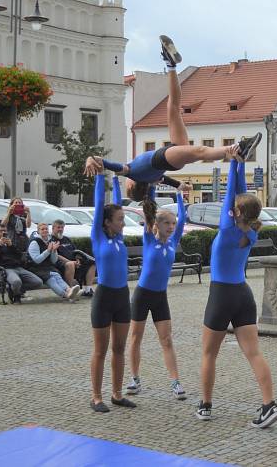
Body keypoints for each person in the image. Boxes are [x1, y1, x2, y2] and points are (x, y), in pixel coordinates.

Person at [83, 35, 261, 201]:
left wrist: (179, 185)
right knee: (200, 151)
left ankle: (171, 65)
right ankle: (237, 148)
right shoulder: (132, 173)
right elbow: (114, 167)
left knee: (173, 108)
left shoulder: (153, 178)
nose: (125, 181)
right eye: (126, 185)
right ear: (132, 185)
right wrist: (95, 159)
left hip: (170, 157)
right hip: (163, 157)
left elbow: (166, 180)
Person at [197, 158, 277, 429]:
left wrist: (234, 165)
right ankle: (269, 404)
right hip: (243, 295)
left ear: (234, 212)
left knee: (209, 354)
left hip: (221, 294)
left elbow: (230, 193)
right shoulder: (252, 232)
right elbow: (240, 197)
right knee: (254, 353)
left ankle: (206, 405)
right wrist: (239, 163)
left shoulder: (226, 229)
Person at [125, 182, 190, 402]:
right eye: (167, 223)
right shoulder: (149, 239)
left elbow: (183, 218)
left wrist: (180, 195)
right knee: (135, 338)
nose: (172, 227)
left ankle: (175, 382)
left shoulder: (173, 242)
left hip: (160, 296)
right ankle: (134, 378)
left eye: (173, 223)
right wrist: (150, 185)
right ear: (157, 224)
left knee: (167, 340)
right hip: (143, 294)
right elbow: (149, 209)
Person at [83, 166, 136, 413]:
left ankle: (116, 393)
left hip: (122, 297)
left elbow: (116, 204)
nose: (123, 223)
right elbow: (99, 206)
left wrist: (117, 180)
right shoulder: (99, 237)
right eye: (120, 220)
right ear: (107, 223)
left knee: (119, 349)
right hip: (104, 297)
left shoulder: (120, 239)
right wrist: (100, 178)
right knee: (101, 350)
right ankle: (96, 396)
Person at [0, 223, 42, 302]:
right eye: (0, 231)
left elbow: (20, 255)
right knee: (16, 281)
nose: (2, 233)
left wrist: (11, 246)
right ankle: (17, 295)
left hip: (18, 267)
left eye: (4, 231)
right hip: (5, 269)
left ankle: (12, 289)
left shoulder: (10, 242)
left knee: (38, 282)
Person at [27, 222, 81, 301]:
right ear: (38, 231)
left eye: (46, 229)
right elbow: (37, 260)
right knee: (51, 278)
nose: (45, 231)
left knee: (56, 275)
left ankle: (70, 291)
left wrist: (54, 251)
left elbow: (53, 260)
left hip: (46, 267)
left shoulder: (49, 241)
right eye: (42, 229)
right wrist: (48, 251)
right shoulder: (34, 242)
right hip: (35, 268)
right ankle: (67, 295)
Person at [52, 219, 97, 297]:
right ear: (53, 228)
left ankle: (87, 290)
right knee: (70, 264)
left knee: (92, 263)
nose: (60, 229)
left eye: (62, 227)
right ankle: (71, 291)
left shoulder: (66, 239)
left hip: (74, 262)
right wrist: (71, 262)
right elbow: (56, 255)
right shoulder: (51, 240)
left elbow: (75, 252)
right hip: (60, 263)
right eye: (58, 227)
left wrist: (78, 260)